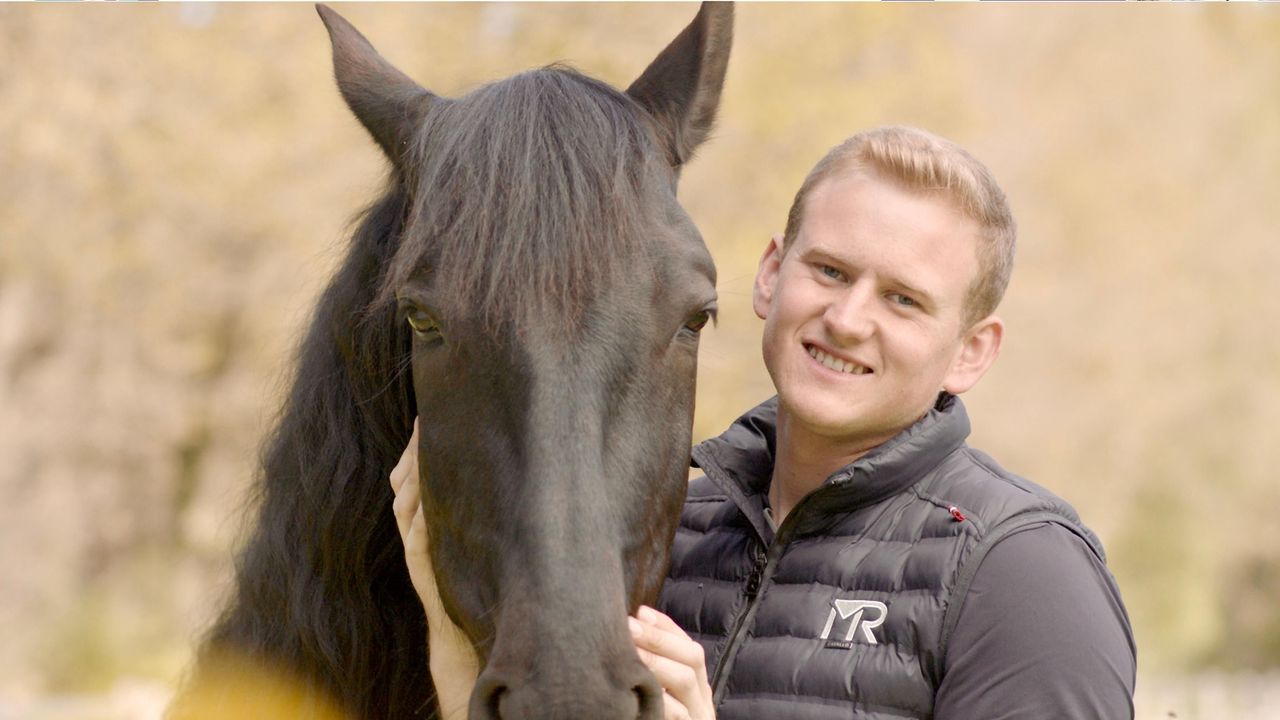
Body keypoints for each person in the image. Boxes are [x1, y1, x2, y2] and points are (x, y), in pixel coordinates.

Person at [390, 126, 1137, 719]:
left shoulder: (1023, 574)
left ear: (971, 352)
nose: (847, 320)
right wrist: (455, 653)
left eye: (903, 300)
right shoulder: (664, 534)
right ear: (771, 274)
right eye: (831, 271)